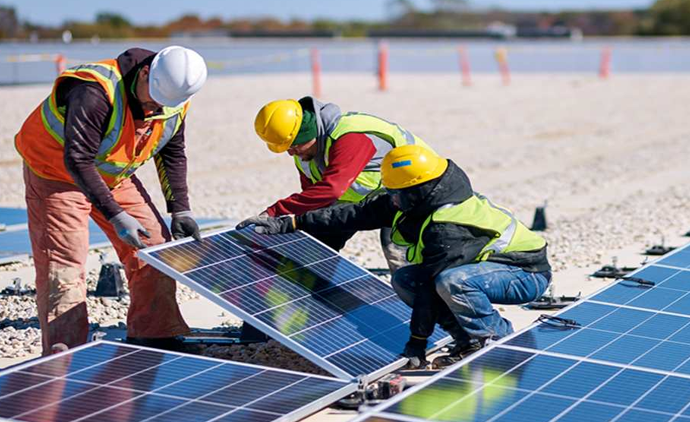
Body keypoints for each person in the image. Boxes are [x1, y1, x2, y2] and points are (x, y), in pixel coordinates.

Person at [237, 145, 551, 368]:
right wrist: (289, 222)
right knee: (404, 279)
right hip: (486, 270)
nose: (392, 200)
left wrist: (417, 342)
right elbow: (353, 214)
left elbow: (432, 287)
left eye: (396, 194)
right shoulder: (414, 197)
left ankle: (494, 340)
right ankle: (466, 339)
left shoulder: (447, 225)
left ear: (417, 190)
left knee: (450, 281)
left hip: (525, 272)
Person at [15, 45, 207, 354]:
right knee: (64, 267)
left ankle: (154, 337)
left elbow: (172, 151)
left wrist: (180, 209)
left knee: (155, 247)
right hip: (56, 173)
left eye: (164, 103)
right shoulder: (94, 91)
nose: (155, 107)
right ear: (146, 72)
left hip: (110, 175)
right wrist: (115, 215)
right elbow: (77, 160)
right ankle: (65, 356)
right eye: (153, 96)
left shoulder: (173, 98)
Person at [241, 96, 434, 273]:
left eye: (292, 146)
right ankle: (317, 286)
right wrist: (292, 225)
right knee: (320, 237)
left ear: (308, 135)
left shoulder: (350, 138)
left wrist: (274, 212)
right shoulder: (304, 154)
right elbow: (314, 199)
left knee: (398, 248)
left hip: (417, 188)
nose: (290, 153)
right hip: (372, 196)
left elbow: (332, 189)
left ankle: (420, 294)